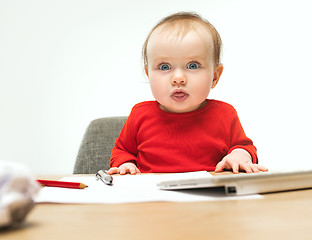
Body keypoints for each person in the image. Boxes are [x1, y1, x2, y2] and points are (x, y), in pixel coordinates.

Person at [107, 12, 267, 175]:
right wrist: (126, 164)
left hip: (209, 196)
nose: (178, 78)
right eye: (164, 67)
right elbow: (122, 151)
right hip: (155, 197)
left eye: (192, 66)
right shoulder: (139, 115)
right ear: (149, 75)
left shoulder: (225, 115)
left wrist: (239, 155)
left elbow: (245, 147)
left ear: (215, 76)